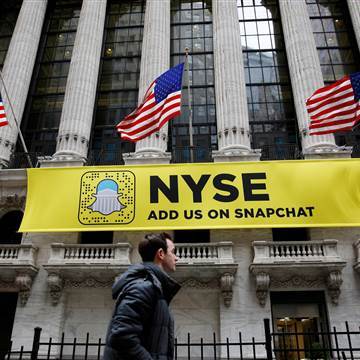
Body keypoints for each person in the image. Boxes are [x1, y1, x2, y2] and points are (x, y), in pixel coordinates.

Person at [103, 232, 180, 360]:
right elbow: (122, 336)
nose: (177, 258)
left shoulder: (152, 286)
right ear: (161, 254)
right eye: (173, 252)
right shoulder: (143, 287)